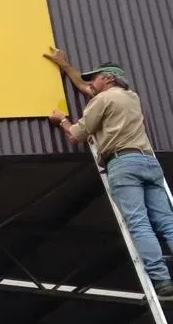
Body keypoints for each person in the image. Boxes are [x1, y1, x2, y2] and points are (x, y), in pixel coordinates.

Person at [45, 46, 173, 299]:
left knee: (139, 223)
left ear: (109, 78)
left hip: (123, 164)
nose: (91, 81)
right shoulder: (131, 97)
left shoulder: (102, 101)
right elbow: (86, 88)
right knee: (168, 222)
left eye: (96, 77)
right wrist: (64, 64)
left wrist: (62, 120)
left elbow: (75, 136)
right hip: (148, 161)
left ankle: (163, 282)